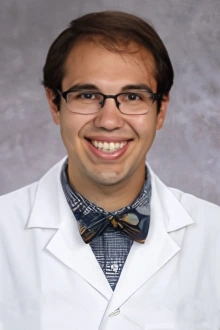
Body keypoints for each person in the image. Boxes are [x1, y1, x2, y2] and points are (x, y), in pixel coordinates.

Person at [0, 11, 219, 330]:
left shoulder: (215, 236)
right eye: (87, 95)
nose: (109, 120)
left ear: (161, 111)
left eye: (132, 97)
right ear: (54, 104)